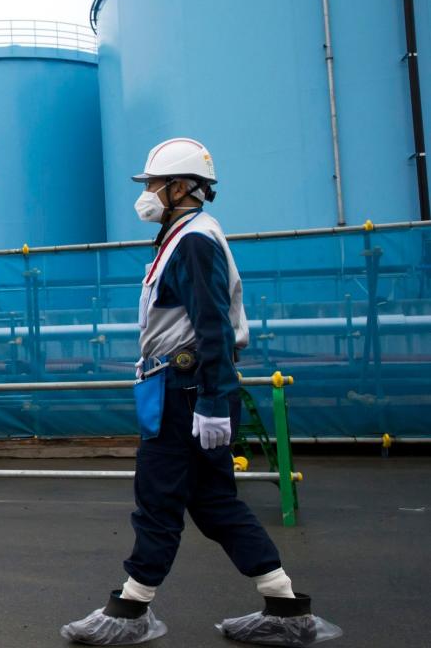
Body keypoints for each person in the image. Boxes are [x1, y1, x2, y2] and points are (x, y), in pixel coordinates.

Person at [61, 138, 341, 646]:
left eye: (152, 184)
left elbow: (211, 325)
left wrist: (212, 402)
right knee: (214, 503)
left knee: (158, 495)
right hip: (185, 386)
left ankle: (131, 609)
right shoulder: (183, 236)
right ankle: (285, 605)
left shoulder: (192, 240)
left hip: (186, 389)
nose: (145, 193)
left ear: (181, 187)